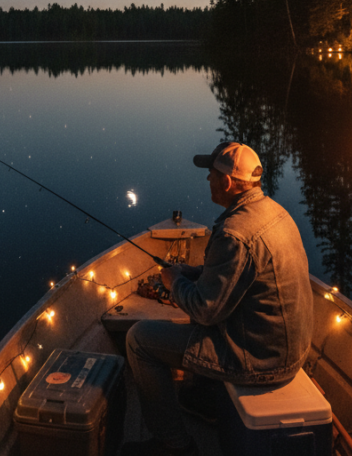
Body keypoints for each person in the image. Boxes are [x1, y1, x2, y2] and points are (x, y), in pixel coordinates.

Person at [121, 141, 314, 456]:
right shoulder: (276, 213)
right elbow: (240, 276)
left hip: (260, 359)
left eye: (211, 174)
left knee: (139, 339)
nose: (207, 179)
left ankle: (174, 445)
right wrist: (195, 272)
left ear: (226, 182)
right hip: (290, 350)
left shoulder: (234, 234)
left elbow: (204, 310)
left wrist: (174, 282)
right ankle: (207, 397)